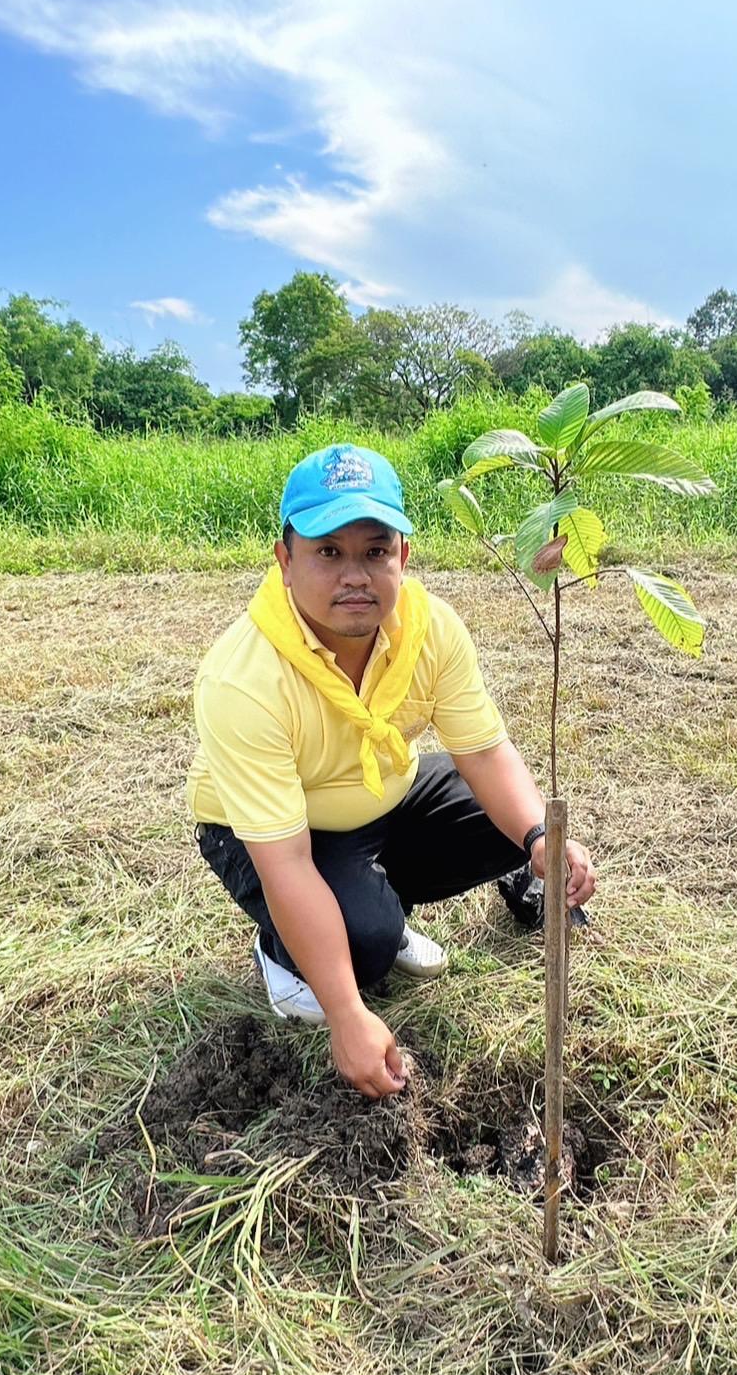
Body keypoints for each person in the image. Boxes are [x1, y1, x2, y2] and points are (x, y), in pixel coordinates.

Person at [186, 443, 596, 1100]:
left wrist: (538, 839)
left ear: (403, 557)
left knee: (511, 823)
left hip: (383, 791)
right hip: (270, 832)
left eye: (375, 552)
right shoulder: (245, 678)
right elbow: (287, 861)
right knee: (366, 953)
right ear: (284, 561)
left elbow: (486, 753)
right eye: (328, 552)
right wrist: (347, 1015)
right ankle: (309, 941)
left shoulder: (431, 628)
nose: (355, 574)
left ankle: (369, 899)